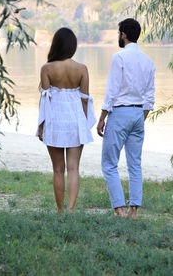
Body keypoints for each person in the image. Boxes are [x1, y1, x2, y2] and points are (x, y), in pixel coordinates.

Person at [97, 18, 155, 220]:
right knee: (135, 164)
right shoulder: (148, 61)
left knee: (109, 163)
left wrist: (102, 117)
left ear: (123, 34)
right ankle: (134, 211)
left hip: (120, 113)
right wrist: (142, 117)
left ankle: (119, 209)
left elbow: (112, 90)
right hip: (138, 114)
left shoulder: (119, 57)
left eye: (119, 33)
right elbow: (150, 97)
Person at [36, 27, 96, 213]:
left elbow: (45, 101)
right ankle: (70, 209)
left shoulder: (47, 68)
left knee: (58, 169)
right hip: (75, 121)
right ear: (72, 46)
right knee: (73, 168)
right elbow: (85, 100)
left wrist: (41, 126)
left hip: (54, 121)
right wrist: (85, 124)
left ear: (56, 44)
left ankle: (60, 210)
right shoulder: (81, 69)